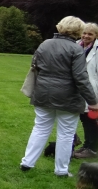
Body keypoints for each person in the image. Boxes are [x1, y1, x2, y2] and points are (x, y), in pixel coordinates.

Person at [19, 16, 98, 177]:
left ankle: (27, 162)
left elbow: (36, 66)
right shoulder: (76, 49)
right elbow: (81, 78)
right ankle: (61, 170)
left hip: (43, 93)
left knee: (40, 128)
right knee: (66, 133)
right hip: (68, 97)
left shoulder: (45, 44)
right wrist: (93, 101)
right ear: (78, 31)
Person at [74, 23, 98, 159]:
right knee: (82, 118)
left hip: (92, 91)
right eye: (84, 33)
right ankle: (86, 145)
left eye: (90, 34)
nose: (86, 36)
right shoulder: (77, 46)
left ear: (96, 35)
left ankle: (91, 149)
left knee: (91, 120)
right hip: (77, 90)